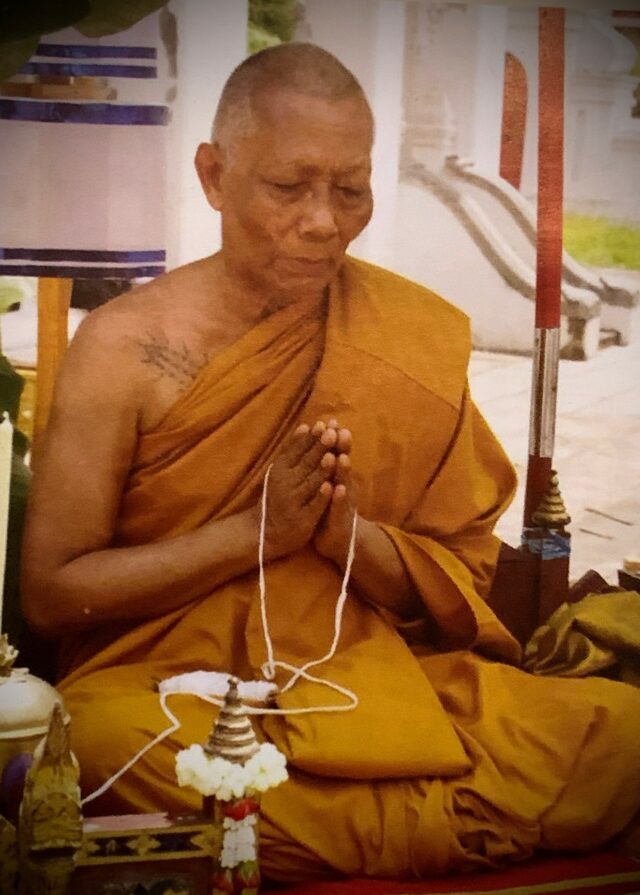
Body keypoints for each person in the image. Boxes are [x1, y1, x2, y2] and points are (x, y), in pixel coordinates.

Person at [21, 43, 640, 882]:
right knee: (94, 744)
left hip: (370, 679)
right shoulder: (125, 349)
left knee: (621, 729)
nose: (324, 221)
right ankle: (443, 818)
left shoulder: (410, 331)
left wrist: (345, 534)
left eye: (351, 189)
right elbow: (54, 594)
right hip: (172, 689)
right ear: (213, 175)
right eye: (289, 187)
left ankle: (281, 824)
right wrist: (258, 533)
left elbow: (461, 582)